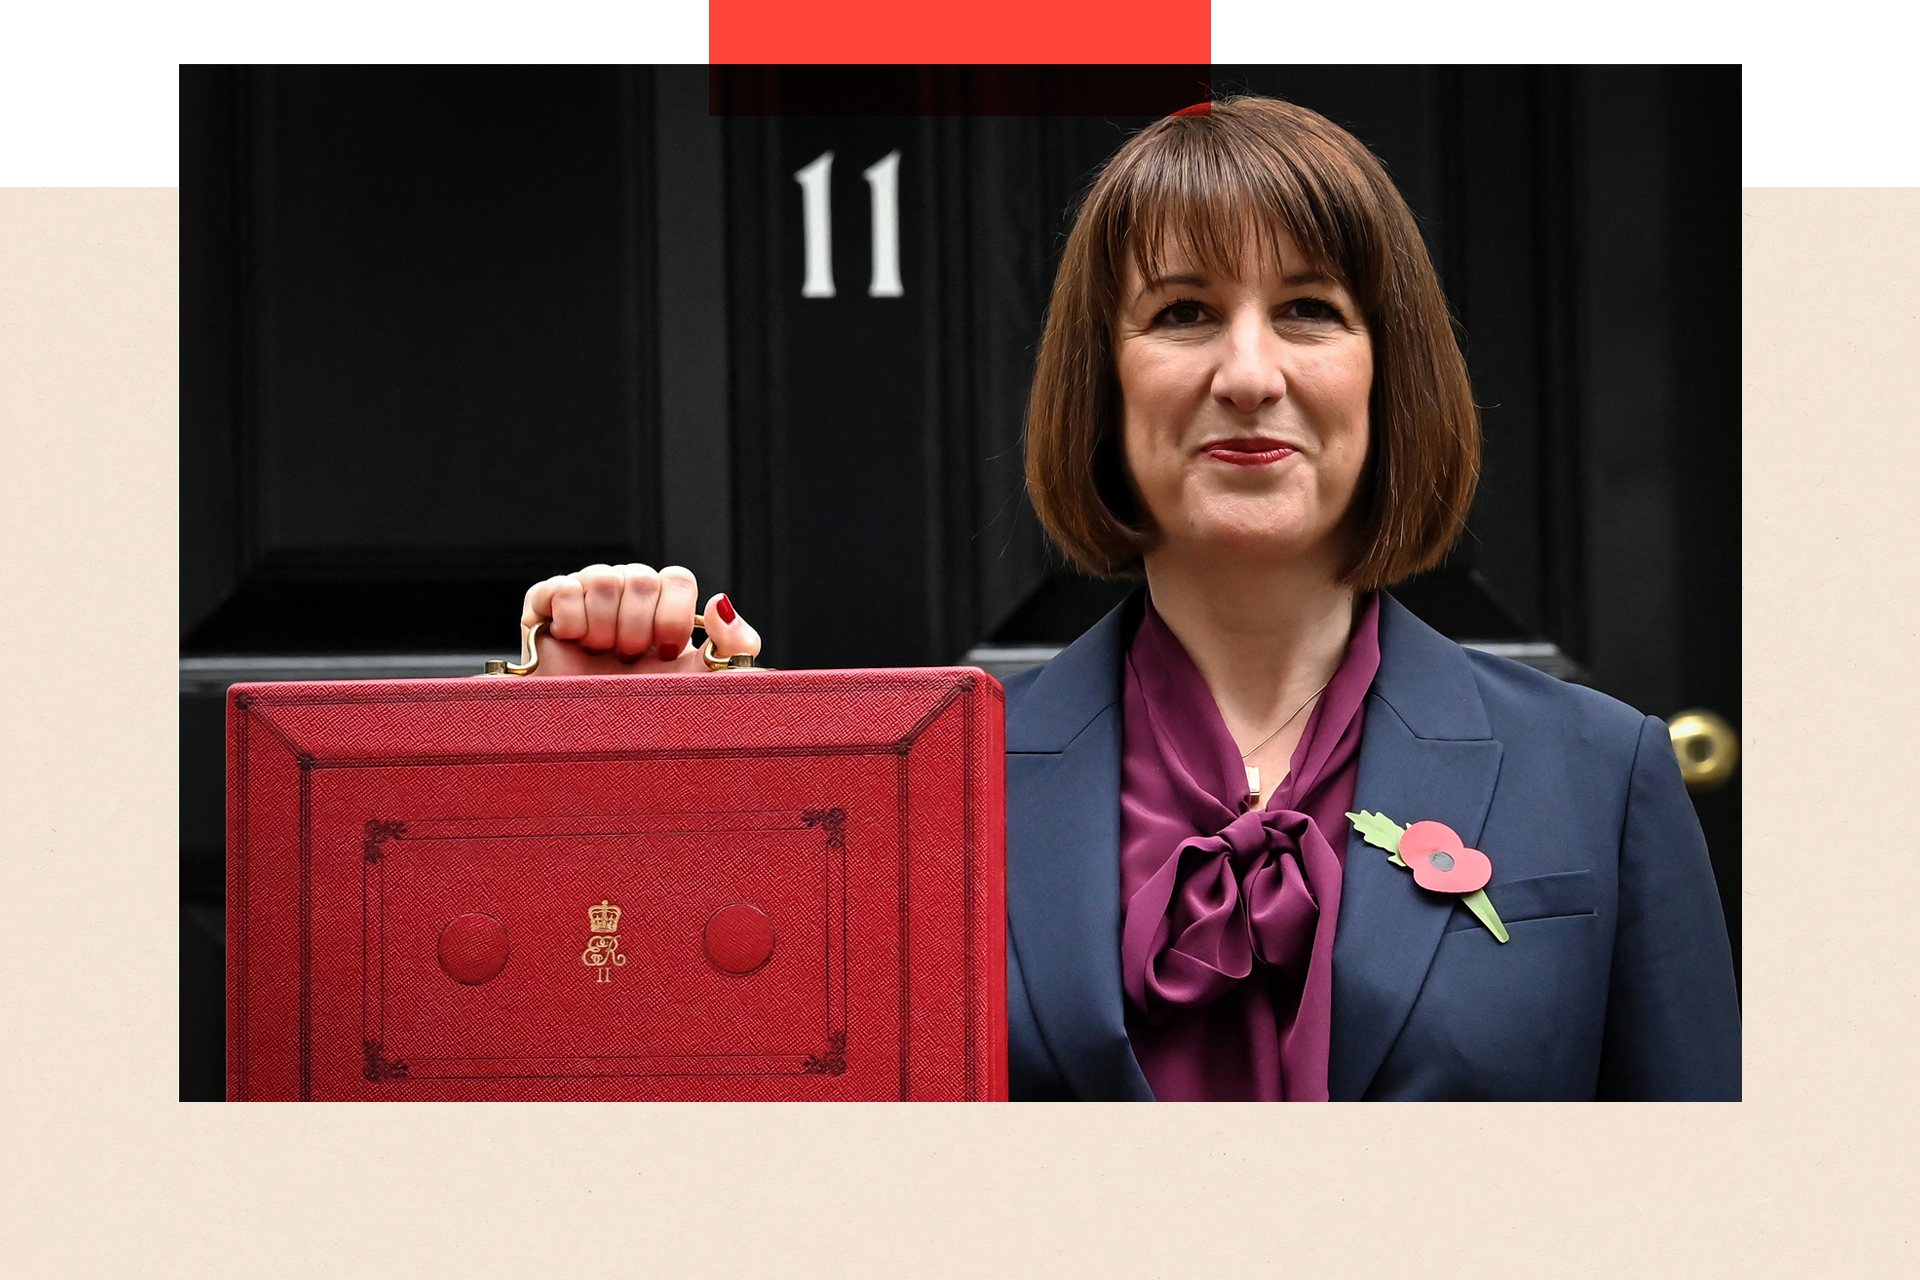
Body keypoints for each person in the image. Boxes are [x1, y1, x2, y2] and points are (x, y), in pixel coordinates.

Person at [517, 96, 1741, 1101]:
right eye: (1184, 312)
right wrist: (632, 775)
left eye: (1310, 310)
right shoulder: (921, 788)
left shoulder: (1602, 772)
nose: (1249, 372)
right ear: (1103, 385)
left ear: (1389, 372)